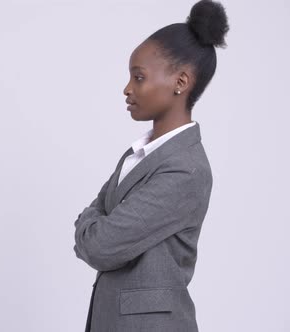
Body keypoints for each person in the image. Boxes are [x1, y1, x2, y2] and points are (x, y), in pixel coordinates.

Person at [73, 0, 229, 331]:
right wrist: (96, 222)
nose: (127, 89)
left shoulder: (186, 169)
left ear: (181, 82)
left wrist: (89, 221)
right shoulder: (137, 155)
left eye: (139, 77)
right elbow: (99, 226)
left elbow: (100, 246)